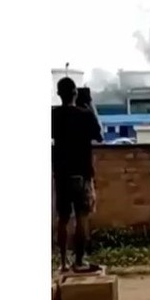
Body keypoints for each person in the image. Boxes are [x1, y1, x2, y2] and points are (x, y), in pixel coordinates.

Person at [52, 77, 103, 272]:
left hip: (61, 174)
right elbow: (100, 135)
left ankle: (63, 263)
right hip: (81, 173)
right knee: (82, 216)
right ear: (75, 93)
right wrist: (89, 103)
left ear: (59, 94)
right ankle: (79, 262)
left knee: (63, 218)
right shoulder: (85, 115)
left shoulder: (53, 115)